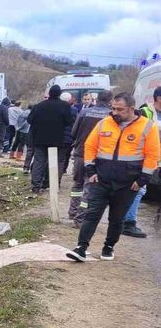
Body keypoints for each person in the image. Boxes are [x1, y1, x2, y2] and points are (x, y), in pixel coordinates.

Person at [66, 92, 159, 262]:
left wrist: (142, 180)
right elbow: (90, 146)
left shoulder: (147, 126)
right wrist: (91, 171)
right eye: (113, 108)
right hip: (101, 179)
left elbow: (153, 155)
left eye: (120, 109)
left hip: (128, 183)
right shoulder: (104, 123)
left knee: (116, 219)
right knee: (92, 214)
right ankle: (81, 248)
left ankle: (108, 247)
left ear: (131, 108)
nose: (115, 112)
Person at [68, 90, 113, 227]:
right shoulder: (111, 117)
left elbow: (73, 132)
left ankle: (72, 211)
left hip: (80, 153)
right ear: (110, 101)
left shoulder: (84, 112)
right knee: (89, 188)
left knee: (77, 184)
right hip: (97, 157)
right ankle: (80, 218)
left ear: (96, 99)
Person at [123, 86, 161, 238]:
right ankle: (128, 222)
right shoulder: (145, 112)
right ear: (159, 98)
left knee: (140, 189)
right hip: (142, 157)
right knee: (139, 189)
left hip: (155, 157)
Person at [27, 85, 73, 193]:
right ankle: (50, 183)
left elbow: (30, 120)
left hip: (40, 138)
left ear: (49, 94)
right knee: (54, 162)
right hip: (57, 138)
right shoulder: (65, 106)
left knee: (39, 161)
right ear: (59, 94)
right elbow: (69, 121)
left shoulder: (39, 106)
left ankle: (35, 185)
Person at [60, 92, 78, 175]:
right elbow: (75, 124)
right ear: (70, 100)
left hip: (58, 136)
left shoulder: (57, 108)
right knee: (66, 155)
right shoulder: (74, 110)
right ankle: (63, 169)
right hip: (69, 136)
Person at [22, 104, 35, 173]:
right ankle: (33, 168)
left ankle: (26, 167)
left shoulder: (33, 115)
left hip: (32, 135)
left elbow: (28, 120)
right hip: (39, 136)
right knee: (38, 153)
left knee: (30, 151)